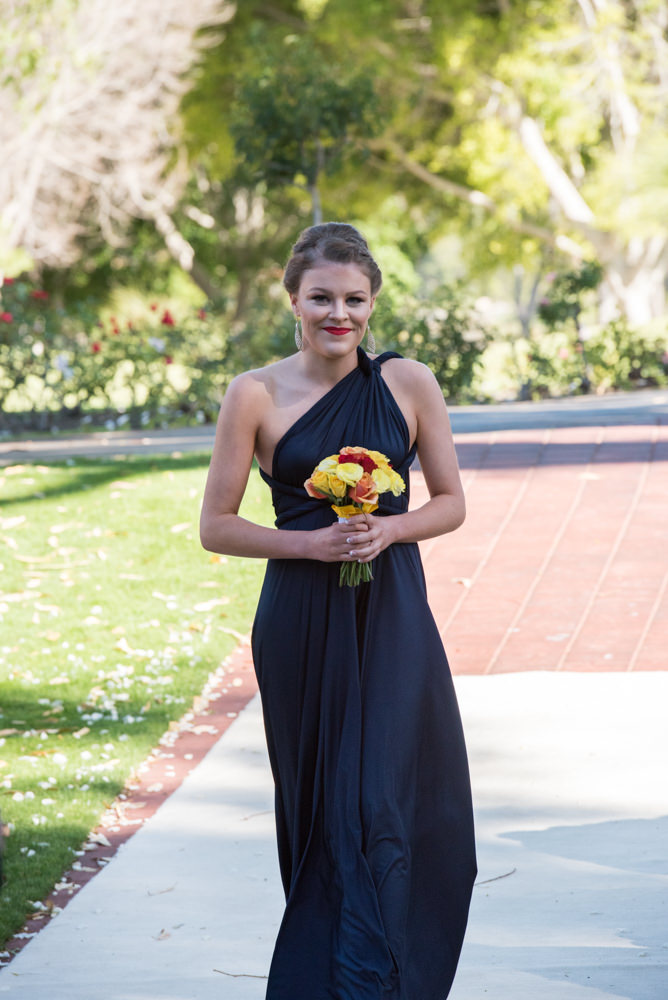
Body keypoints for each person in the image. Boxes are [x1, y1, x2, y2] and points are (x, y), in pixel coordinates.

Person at [200, 222, 476, 999]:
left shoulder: (408, 383)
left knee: (393, 801)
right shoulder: (253, 393)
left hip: (391, 616)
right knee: (324, 811)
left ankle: (389, 982)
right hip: (299, 620)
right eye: (321, 298)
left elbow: (451, 503)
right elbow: (215, 525)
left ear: (372, 303)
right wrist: (309, 547)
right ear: (293, 298)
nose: (338, 315)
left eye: (354, 300)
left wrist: (390, 528)